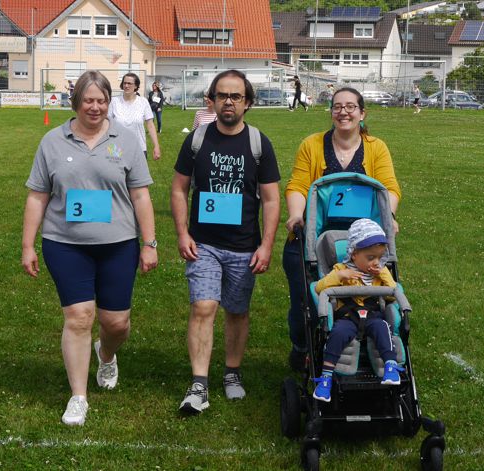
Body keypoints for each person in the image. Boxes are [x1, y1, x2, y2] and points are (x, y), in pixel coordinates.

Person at [21, 70, 159, 426]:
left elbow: (141, 195)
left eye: (101, 100)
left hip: (118, 244)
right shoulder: (52, 141)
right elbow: (37, 196)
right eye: (88, 100)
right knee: (79, 317)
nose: (95, 107)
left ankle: (107, 355)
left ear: (108, 102)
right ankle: (78, 397)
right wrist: (28, 245)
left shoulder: (125, 140)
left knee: (116, 323)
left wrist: (149, 243)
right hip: (65, 244)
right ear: (75, 102)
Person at [171, 70, 281, 415]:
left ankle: (232, 372)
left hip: (243, 246)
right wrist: (182, 233)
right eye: (222, 95)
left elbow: (271, 199)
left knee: (236, 311)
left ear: (247, 103)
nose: (228, 102)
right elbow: (179, 189)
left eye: (236, 96)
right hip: (203, 244)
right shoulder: (197, 140)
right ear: (212, 100)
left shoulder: (259, 143)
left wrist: (266, 245)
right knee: (203, 307)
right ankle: (199, 383)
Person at [282, 87, 402, 372]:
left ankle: (366, 350)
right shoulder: (312, 145)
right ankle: (303, 348)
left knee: (370, 297)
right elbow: (298, 185)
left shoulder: (376, 147)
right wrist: (296, 215)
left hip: (364, 244)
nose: (343, 112)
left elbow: (388, 188)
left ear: (362, 113)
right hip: (314, 239)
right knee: (305, 302)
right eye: (337, 107)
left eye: (350, 107)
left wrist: (389, 217)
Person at [311, 218, 404, 402]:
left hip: (373, 316)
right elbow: (319, 288)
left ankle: (390, 366)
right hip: (347, 317)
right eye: (371, 258)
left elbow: (392, 295)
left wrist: (384, 274)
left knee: (383, 328)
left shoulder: (380, 273)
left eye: (379, 257)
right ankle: (326, 378)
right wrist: (339, 276)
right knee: (337, 334)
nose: (376, 262)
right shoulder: (340, 269)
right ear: (354, 254)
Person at [109, 73, 161, 160]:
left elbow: (150, 125)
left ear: (136, 86)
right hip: (117, 149)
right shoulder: (114, 101)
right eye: (124, 83)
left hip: (139, 148)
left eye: (129, 83)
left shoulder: (143, 102)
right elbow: (106, 125)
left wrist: (156, 146)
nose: (126, 86)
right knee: (115, 169)